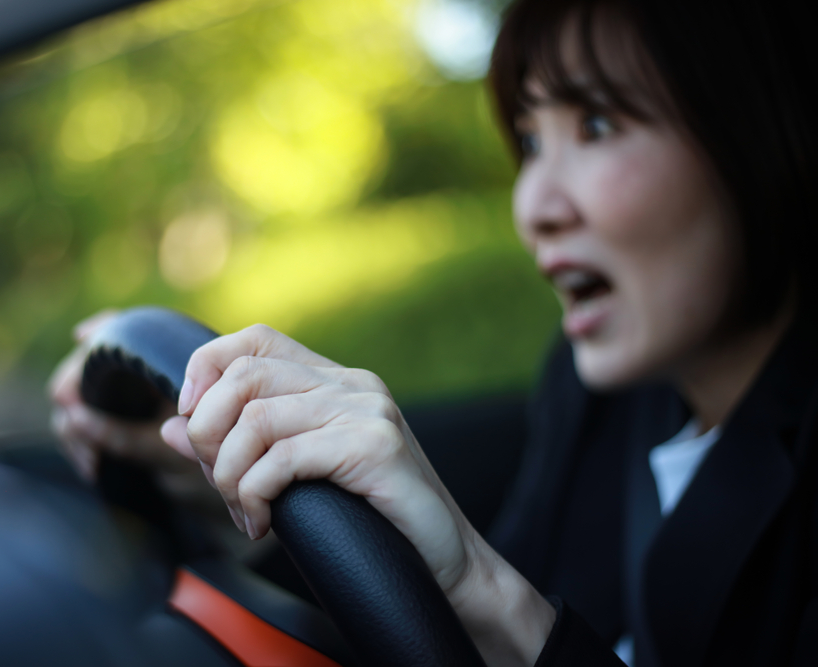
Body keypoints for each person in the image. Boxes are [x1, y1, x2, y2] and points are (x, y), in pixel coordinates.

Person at [50, 0, 818, 664]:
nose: (534, 205)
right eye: (530, 142)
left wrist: (484, 590)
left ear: (761, 127)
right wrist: (227, 466)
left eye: (596, 124)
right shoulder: (604, 399)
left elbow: (504, 600)